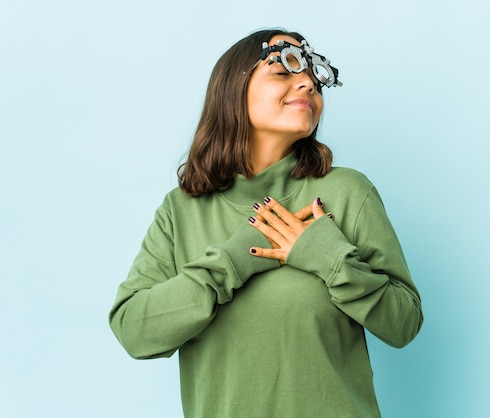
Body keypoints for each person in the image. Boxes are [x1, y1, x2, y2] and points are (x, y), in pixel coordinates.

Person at [109, 27, 423, 418]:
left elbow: (404, 323)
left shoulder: (348, 193)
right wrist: (232, 261)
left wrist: (328, 258)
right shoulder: (180, 210)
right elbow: (134, 332)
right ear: (233, 89)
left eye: (313, 76)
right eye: (283, 69)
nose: (307, 82)